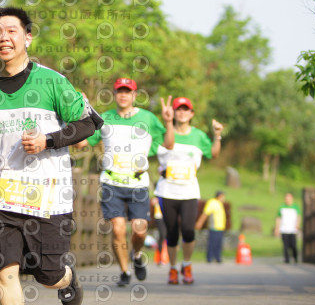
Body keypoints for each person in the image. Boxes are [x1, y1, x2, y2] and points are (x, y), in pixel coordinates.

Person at [0, 6, 100, 305]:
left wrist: (48, 141)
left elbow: (88, 124)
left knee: (46, 273)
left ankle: (66, 279)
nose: (3, 38)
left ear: (27, 37)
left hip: (49, 198)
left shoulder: (52, 81)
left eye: (11, 31)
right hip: (1, 198)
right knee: (4, 270)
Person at [74, 78, 173, 286]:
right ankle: (124, 271)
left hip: (138, 184)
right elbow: (82, 143)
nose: (124, 95)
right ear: (115, 94)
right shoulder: (105, 117)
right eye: (120, 91)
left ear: (134, 95)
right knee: (118, 229)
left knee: (139, 229)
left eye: (128, 91)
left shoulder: (148, 118)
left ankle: (137, 256)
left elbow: (168, 144)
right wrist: (81, 113)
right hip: (111, 183)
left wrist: (169, 122)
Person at [154, 96, 224, 285]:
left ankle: (187, 264)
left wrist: (217, 135)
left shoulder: (199, 136)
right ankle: (173, 268)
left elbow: (214, 154)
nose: (182, 112)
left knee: (188, 230)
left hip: (189, 191)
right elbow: (159, 148)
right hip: (167, 191)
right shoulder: (163, 133)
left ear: (192, 113)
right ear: (174, 112)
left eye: (186, 109)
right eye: (179, 109)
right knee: (172, 232)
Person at [196, 191, 227, 263]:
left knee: (218, 244)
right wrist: (199, 223)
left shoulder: (220, 204)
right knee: (212, 243)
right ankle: (209, 258)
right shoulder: (212, 202)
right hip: (214, 227)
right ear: (219, 196)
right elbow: (205, 213)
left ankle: (217, 257)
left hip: (220, 227)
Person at [274, 192, 301, 264]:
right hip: (284, 229)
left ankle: (295, 257)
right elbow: (278, 218)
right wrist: (277, 228)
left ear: (292, 199)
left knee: (293, 245)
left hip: (293, 229)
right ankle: (287, 259)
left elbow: (299, 217)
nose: (287, 200)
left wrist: (298, 224)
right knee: (285, 245)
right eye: (286, 198)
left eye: (289, 198)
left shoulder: (295, 207)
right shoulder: (281, 207)